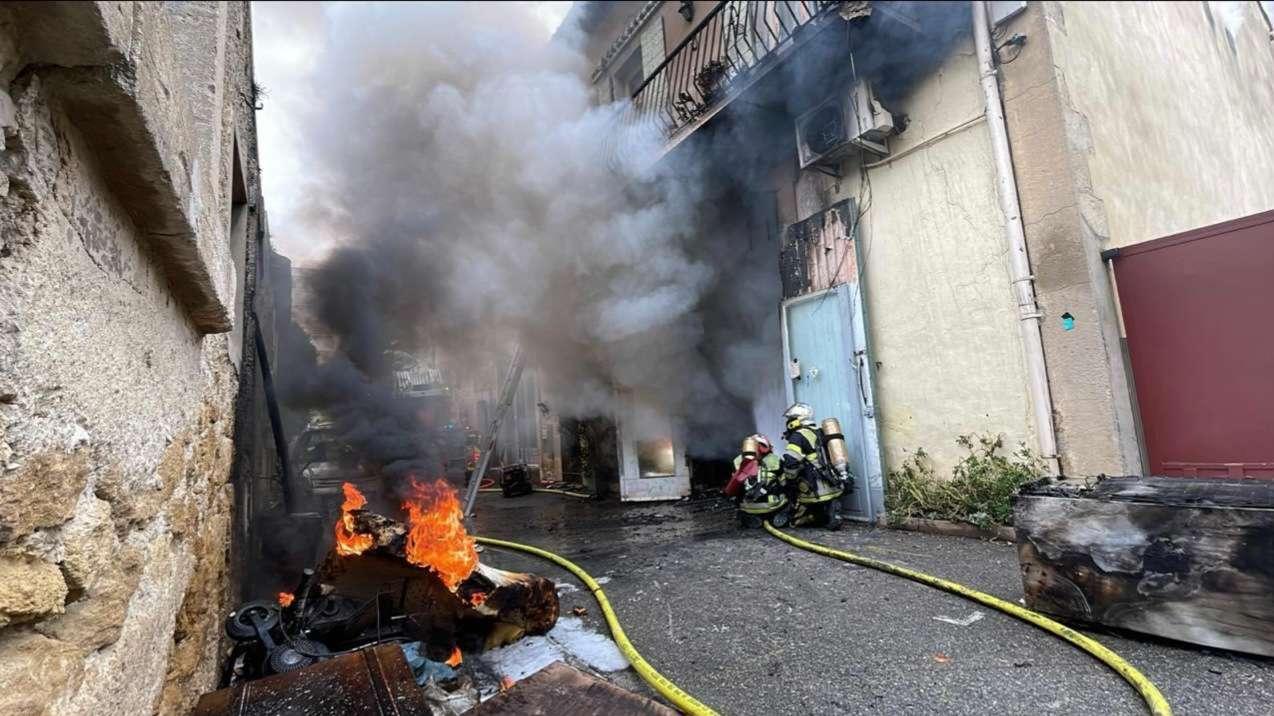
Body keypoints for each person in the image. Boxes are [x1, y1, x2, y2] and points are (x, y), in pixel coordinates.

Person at [781, 402, 844, 530]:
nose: (788, 422)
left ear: (798, 419)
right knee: (825, 501)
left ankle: (812, 515)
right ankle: (831, 512)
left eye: (790, 419)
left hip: (813, 487)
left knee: (794, 519)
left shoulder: (798, 436)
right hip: (833, 482)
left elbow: (791, 461)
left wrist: (788, 479)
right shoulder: (819, 431)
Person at [727, 434, 789, 528]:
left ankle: (748, 517)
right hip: (773, 506)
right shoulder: (776, 460)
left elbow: (734, 488)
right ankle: (777, 515)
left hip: (747, 506)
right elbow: (785, 483)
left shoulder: (737, 461)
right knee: (786, 491)